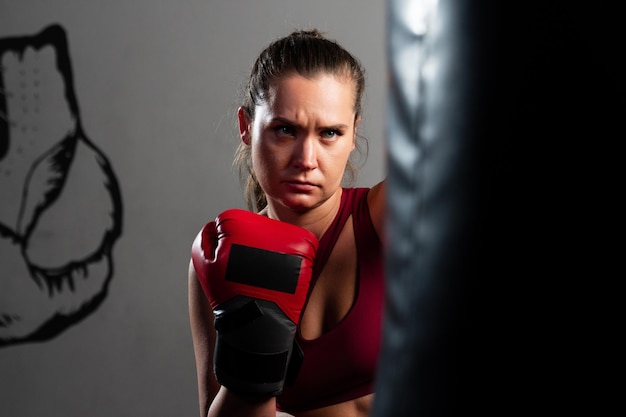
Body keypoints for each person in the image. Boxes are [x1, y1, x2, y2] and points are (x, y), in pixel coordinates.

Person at [188, 29, 385, 417]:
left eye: (329, 133)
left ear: (353, 135)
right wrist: (253, 359)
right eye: (285, 130)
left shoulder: (387, 216)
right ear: (246, 126)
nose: (306, 158)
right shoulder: (217, 254)